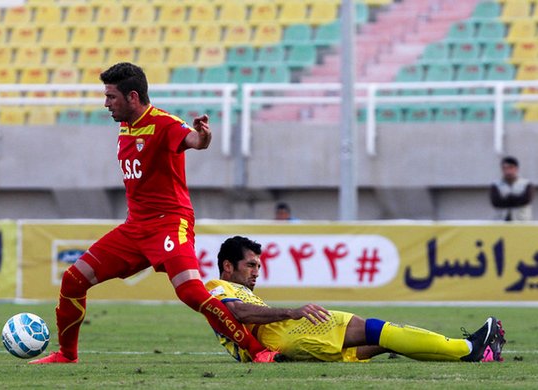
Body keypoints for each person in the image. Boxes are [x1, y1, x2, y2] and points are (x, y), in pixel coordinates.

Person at [30, 63, 279, 364]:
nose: (106, 103)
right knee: (73, 279)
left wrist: (204, 136)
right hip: (135, 228)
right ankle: (67, 355)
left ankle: (258, 351)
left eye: (111, 97)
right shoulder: (126, 125)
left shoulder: (165, 124)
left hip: (170, 223)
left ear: (132, 97)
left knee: (190, 292)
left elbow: (195, 142)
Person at [205, 236, 506, 363]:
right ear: (228, 266)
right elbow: (238, 314)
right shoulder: (217, 285)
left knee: (386, 339)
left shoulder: (243, 291)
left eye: (258, 265)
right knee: (374, 327)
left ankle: (477, 353)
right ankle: (469, 349)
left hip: (286, 344)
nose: (256, 272)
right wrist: (293, 312)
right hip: (291, 334)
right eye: (250, 265)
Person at [490, 156, 533, 221]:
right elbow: (496, 202)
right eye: (505, 168)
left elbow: (526, 200)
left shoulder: (526, 184)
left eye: (510, 167)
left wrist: (507, 199)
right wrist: (516, 199)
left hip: (522, 222)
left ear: (516, 169)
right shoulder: (496, 185)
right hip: (501, 222)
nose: (508, 171)